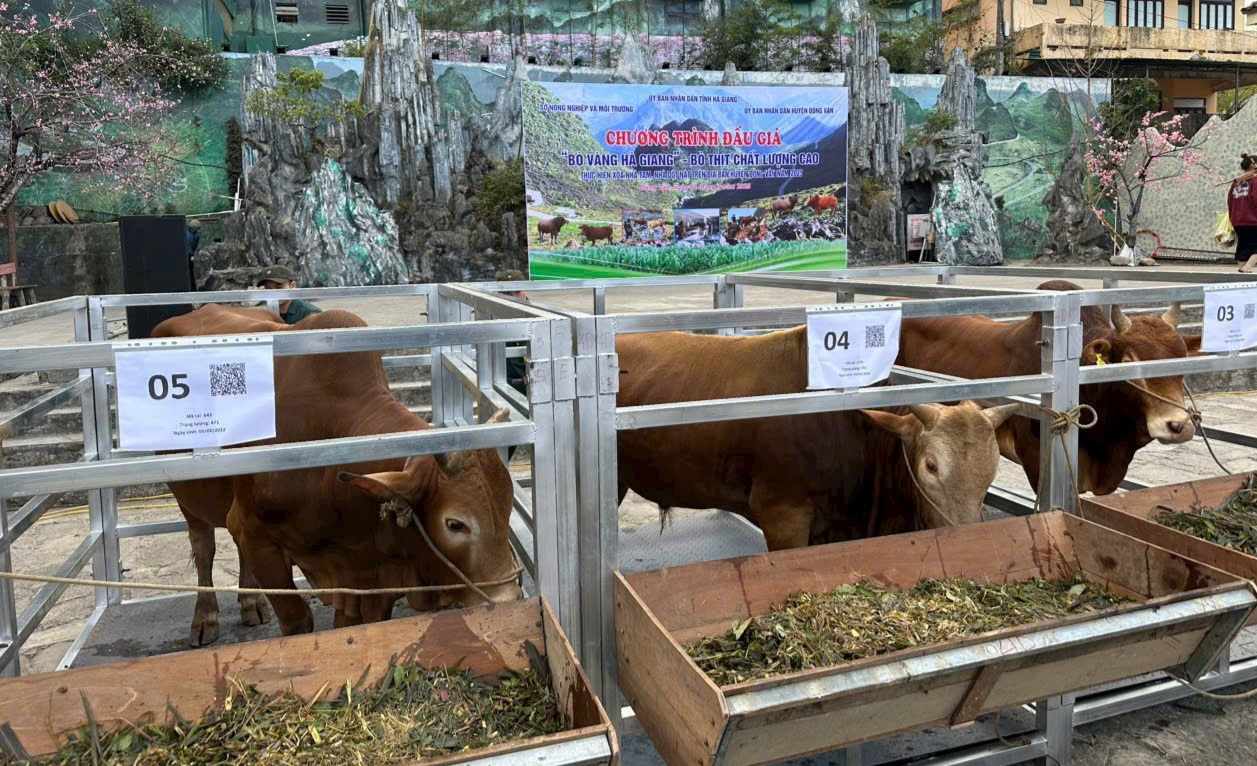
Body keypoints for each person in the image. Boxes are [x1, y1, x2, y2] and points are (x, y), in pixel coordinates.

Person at [256, 265, 322, 324]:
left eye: (279, 286)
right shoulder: (260, 310)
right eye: (268, 288)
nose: (273, 292)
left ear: (292, 285)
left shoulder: (309, 313)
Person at [1228, 153, 1257, 273]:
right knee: (1253, 245)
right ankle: (1247, 267)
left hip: (1237, 220)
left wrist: (1232, 217)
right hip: (1253, 219)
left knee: (1244, 245)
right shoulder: (1255, 181)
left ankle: (1241, 268)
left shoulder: (1236, 183)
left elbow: (1229, 201)